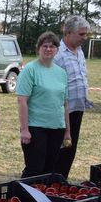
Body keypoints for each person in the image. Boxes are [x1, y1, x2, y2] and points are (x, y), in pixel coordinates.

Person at [17, 31, 70, 177]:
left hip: (57, 128)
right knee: (35, 170)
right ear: (38, 48)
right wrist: (24, 129)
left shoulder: (61, 73)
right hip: (36, 128)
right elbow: (22, 101)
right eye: (44, 46)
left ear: (57, 50)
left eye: (52, 46)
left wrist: (67, 132)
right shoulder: (30, 70)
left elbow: (65, 104)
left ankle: (43, 199)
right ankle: (22, 199)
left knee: (49, 170)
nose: (48, 49)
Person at [53, 15, 92, 180]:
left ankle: (62, 180)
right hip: (62, 111)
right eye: (81, 34)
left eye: (86, 34)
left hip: (78, 108)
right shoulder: (57, 54)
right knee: (60, 149)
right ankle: (54, 182)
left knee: (70, 149)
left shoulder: (80, 52)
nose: (85, 38)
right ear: (68, 32)